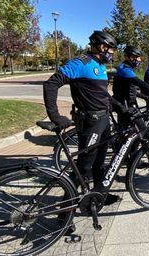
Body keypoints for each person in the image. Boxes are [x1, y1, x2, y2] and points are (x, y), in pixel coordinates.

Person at [43, 30, 123, 204]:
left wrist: (120, 107)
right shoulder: (81, 63)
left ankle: (100, 195)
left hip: (104, 120)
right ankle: (65, 212)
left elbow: (101, 94)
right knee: (83, 167)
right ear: (101, 46)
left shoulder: (101, 66)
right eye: (110, 49)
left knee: (100, 163)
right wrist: (55, 115)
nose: (112, 53)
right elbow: (51, 84)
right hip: (90, 122)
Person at [113, 46, 149, 128]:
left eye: (139, 57)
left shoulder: (128, 68)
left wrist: (146, 97)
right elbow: (140, 83)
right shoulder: (124, 69)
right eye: (136, 57)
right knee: (140, 129)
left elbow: (131, 90)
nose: (139, 60)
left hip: (129, 102)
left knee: (133, 129)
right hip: (124, 104)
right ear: (129, 57)